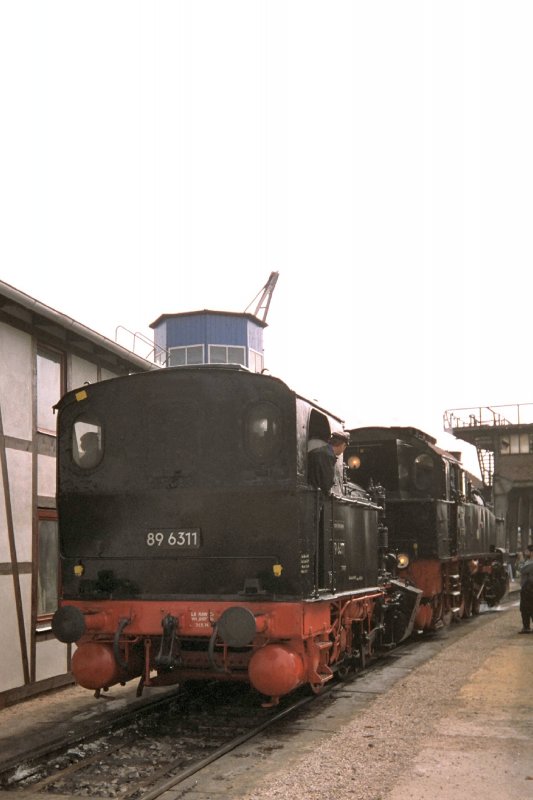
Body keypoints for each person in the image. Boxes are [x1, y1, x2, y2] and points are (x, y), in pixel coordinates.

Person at [308, 430, 350, 497]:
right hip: (317, 497)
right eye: (345, 447)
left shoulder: (318, 451)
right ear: (343, 445)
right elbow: (326, 483)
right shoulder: (328, 455)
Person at [517, 544, 533, 633]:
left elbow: (522, 569)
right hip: (528, 588)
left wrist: (521, 559)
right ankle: (526, 627)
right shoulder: (529, 561)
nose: (525, 552)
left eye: (527, 551)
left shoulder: (531, 563)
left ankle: (526, 627)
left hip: (529, 589)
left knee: (526, 608)